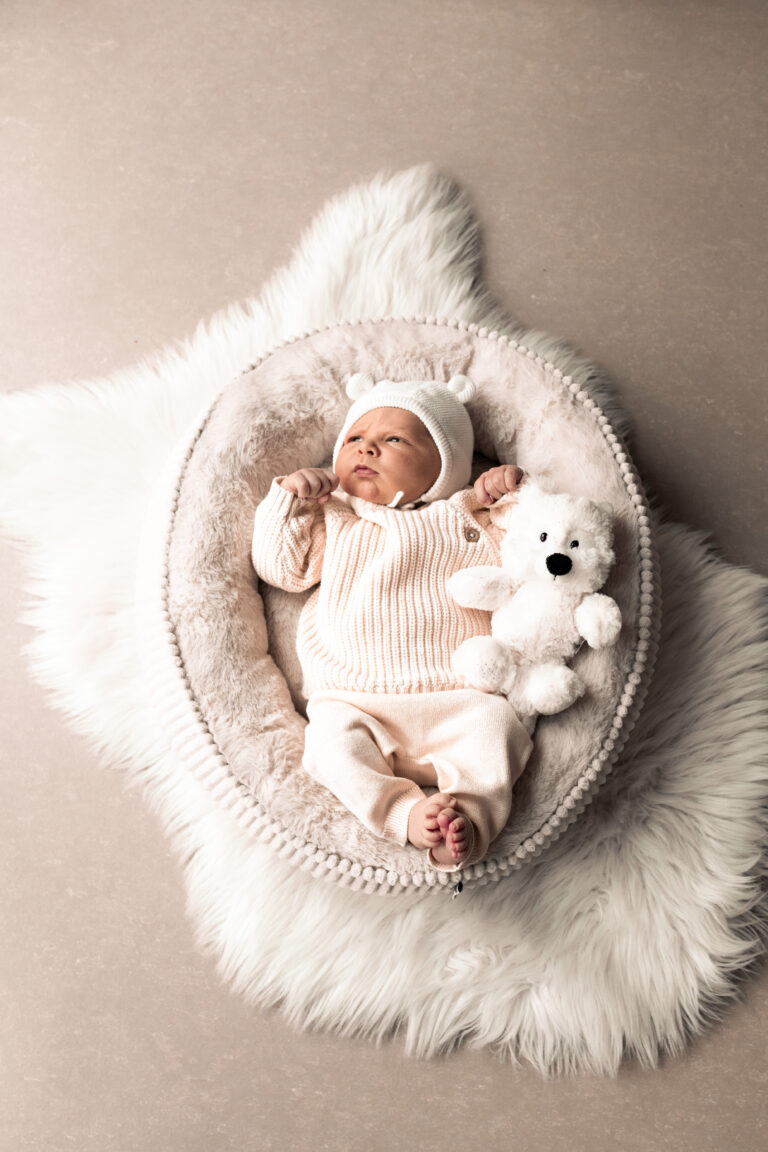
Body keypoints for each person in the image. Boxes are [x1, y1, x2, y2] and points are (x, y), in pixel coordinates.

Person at [251, 373, 529, 871]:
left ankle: (466, 819)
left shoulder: (466, 515)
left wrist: (510, 496)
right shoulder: (335, 517)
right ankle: (406, 814)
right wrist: (290, 501)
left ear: (446, 466)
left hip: (459, 695)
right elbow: (282, 571)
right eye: (355, 438)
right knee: (329, 746)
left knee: (497, 730)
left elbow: (530, 554)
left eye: (393, 439)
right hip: (355, 698)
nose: (367, 449)